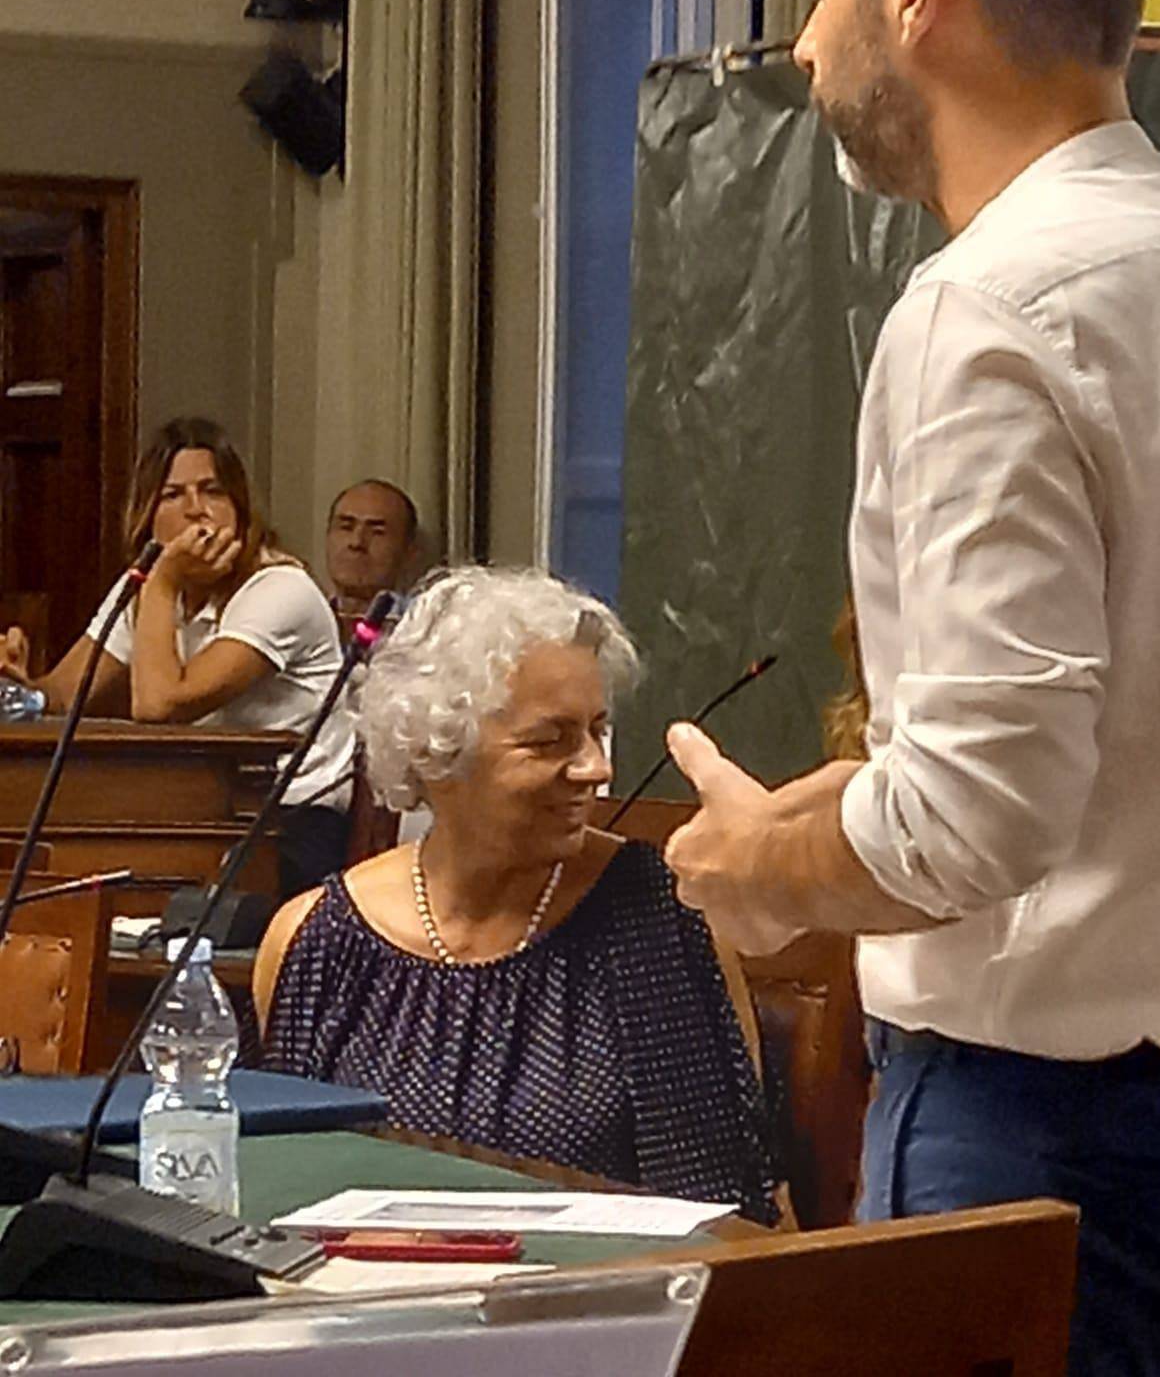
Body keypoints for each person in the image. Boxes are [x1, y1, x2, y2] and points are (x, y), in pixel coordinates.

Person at [661, 0, 1160, 1371]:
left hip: (1055, 1150)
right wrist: (849, 810)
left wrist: (761, 869)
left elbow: (978, 817)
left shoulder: (985, 309)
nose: (802, 40)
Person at [253, 567, 781, 1223]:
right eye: (550, 741)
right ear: (439, 753)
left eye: (597, 731)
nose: (596, 768)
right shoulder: (316, 941)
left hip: (608, 1286)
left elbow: (715, 1218)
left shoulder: (660, 923)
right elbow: (279, 1197)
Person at [0, 417, 354, 898]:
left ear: (239, 508)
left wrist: (163, 583)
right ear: (147, 514)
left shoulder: (279, 589)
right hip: (200, 814)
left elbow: (161, 706)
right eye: (173, 495)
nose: (196, 511)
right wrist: (21, 685)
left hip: (292, 820)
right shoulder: (148, 586)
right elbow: (64, 696)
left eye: (212, 491)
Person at [325, 479, 420, 641]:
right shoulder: (302, 619)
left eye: (377, 532)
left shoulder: (422, 628)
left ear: (409, 549)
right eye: (346, 527)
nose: (357, 542)